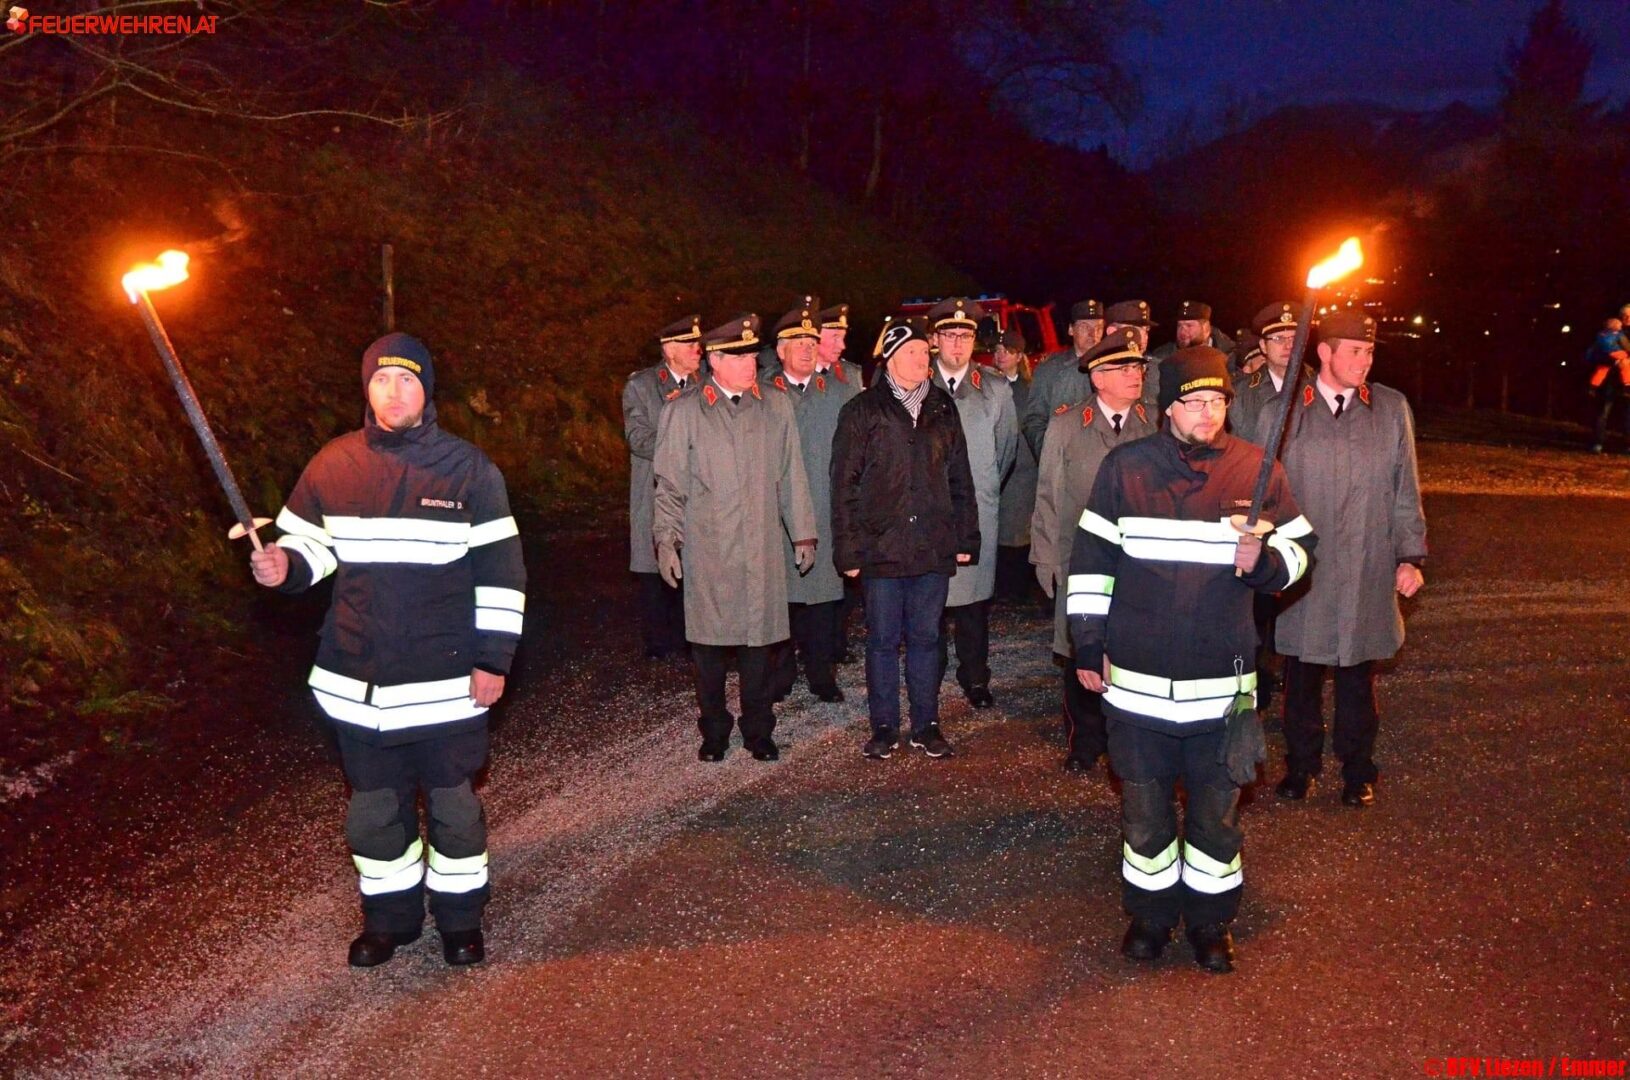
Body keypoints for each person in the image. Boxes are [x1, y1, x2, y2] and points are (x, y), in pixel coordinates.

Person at [249, 332, 526, 969]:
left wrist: (493, 660)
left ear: (426, 389)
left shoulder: (469, 470)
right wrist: (283, 566)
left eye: (406, 379)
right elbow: (310, 550)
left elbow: (502, 574)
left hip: (446, 684)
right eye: (380, 379)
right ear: (366, 389)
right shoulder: (333, 464)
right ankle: (389, 922)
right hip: (358, 683)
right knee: (374, 817)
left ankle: (460, 921)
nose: (393, 392)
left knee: (455, 812)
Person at [1070, 346, 1314, 974]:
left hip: (1221, 689)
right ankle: (1150, 916)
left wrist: (1265, 563)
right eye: (1194, 401)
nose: (1207, 413)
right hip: (1137, 688)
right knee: (1145, 819)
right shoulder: (1125, 469)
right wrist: (1088, 642)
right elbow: (1092, 564)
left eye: (1217, 401)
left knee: (1215, 820)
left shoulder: (1257, 470)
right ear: (1167, 408)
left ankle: (1211, 923)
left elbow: (1303, 551)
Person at [1273, 310, 1427, 808]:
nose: (1365, 361)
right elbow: (1260, 490)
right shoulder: (1287, 411)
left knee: (1358, 676)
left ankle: (1358, 769)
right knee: (1301, 674)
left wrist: (1409, 556)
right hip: (1306, 569)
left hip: (1367, 561)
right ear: (1325, 352)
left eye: (1370, 352)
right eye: (1355, 351)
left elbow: (1405, 488)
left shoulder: (1389, 408)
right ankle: (1301, 766)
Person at [653, 314, 818, 763]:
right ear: (715, 360)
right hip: (709, 551)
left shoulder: (774, 405)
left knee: (758, 647)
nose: (751, 365)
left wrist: (803, 533)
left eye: (752, 356)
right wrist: (667, 540)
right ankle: (714, 731)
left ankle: (758, 730)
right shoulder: (684, 412)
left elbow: (792, 473)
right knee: (708, 650)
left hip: (761, 547)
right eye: (739, 357)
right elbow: (668, 485)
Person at [831, 317, 979, 760]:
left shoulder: (942, 407)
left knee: (927, 638)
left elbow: (960, 476)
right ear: (891, 358)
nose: (922, 360)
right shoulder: (862, 410)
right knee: (881, 640)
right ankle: (884, 726)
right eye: (912, 353)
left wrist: (965, 537)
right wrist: (847, 550)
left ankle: (926, 725)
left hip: (932, 545)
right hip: (882, 548)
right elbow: (843, 485)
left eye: (924, 353)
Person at [1030, 329, 1156, 772]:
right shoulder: (1067, 426)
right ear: (1098, 378)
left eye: (1138, 367)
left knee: (1135, 648)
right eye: (1124, 368)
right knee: (1079, 648)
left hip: (1140, 563)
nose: (1135, 374)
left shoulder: (1154, 424)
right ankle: (1085, 741)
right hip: (1079, 558)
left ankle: (1130, 736)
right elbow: (1048, 495)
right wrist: (1045, 557)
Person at [928, 297, 1018, 709]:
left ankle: (975, 676)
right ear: (935, 340)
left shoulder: (994, 388)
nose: (958, 344)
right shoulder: (915, 382)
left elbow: (1005, 451)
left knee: (974, 604)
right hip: (928, 511)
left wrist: (984, 489)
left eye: (965, 336)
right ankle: (928, 675)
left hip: (976, 511)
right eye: (949, 335)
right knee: (928, 600)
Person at [765, 301, 855, 703]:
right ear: (780, 350)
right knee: (779, 600)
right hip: (774, 516)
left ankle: (822, 674)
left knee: (822, 601)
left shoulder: (838, 393)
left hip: (822, 509)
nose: (806, 349)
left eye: (811, 342)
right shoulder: (762, 394)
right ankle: (780, 675)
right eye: (797, 342)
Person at [622, 315, 702, 659]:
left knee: (695, 566)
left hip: (698, 491)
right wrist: (681, 442)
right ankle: (658, 643)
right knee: (655, 568)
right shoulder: (641, 387)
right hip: (655, 490)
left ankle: (693, 639)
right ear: (669, 350)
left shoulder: (707, 382)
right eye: (690, 344)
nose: (698, 349)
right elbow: (637, 438)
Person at [1021, 299, 1103, 456]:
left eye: (1098, 327)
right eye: (1085, 327)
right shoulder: (1050, 370)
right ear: (1071, 330)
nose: (1093, 334)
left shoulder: (1112, 368)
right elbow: (1034, 420)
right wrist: (1050, 456)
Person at [993, 328, 1040, 603]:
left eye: (1008, 351)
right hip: (996, 467)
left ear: (1019, 356)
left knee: (1019, 531)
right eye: (998, 351)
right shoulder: (986, 385)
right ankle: (1001, 587)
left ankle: (1018, 589)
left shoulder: (1028, 390)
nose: (1001, 356)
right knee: (997, 529)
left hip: (1023, 468)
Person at [1229, 302, 1309, 447]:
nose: (1289, 346)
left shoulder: (1320, 387)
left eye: (1294, 338)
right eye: (1279, 339)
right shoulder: (1241, 394)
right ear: (1263, 346)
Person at [1149, 300, 1236, 368]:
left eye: (1189, 325)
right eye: (1179, 326)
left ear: (1206, 328)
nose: (1182, 331)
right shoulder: (1163, 357)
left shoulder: (1232, 356)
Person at [1586, 317, 1630, 453]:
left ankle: (1627, 445)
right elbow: (1593, 354)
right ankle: (1598, 443)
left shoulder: (1611, 334)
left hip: (1624, 380)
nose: (1628, 319)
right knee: (1603, 412)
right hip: (1610, 381)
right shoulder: (1611, 334)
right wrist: (1614, 361)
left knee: (1628, 414)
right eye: (1626, 315)